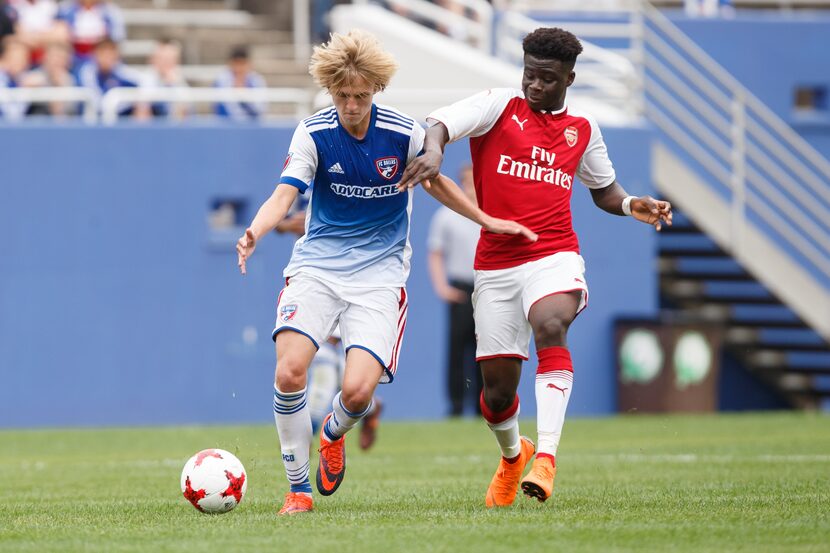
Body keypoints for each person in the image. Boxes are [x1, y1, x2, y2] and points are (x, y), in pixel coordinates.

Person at [236, 29, 535, 516]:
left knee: (356, 392)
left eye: (359, 95)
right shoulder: (314, 132)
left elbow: (435, 183)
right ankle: (297, 491)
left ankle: (333, 435)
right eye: (342, 96)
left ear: (376, 89)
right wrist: (255, 230)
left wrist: (485, 219)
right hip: (317, 268)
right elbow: (285, 193)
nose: (350, 105)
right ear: (330, 91)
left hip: (379, 278)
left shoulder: (402, 132)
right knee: (290, 371)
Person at [399, 27, 672, 507]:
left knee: (551, 324)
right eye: (529, 75)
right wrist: (436, 148)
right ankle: (512, 457)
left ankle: (546, 457)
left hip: (554, 254)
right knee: (498, 396)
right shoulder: (498, 106)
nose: (535, 86)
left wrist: (632, 205)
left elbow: (603, 190)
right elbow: (439, 123)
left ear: (569, 77)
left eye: (547, 78)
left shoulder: (583, 129)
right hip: (496, 266)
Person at [275, 187, 384, 449]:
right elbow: (278, 219)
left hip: (354, 280)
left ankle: (358, 414)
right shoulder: (302, 175)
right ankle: (313, 438)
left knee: (344, 376)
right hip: (313, 280)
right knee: (325, 371)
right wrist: (297, 224)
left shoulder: (351, 171)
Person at [427, 163, 482, 416]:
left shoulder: (492, 212)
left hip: (487, 287)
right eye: (467, 181)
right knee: (457, 349)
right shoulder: (447, 216)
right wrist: (442, 287)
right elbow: (435, 253)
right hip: (460, 287)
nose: (471, 187)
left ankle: (486, 404)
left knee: (487, 348)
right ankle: (456, 405)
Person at [214, 45, 266, 122]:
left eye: (242, 64)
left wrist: (244, 96)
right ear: (231, 63)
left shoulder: (256, 80)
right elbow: (222, 108)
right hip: (227, 125)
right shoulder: (222, 80)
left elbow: (260, 109)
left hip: (252, 125)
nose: (239, 68)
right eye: (236, 63)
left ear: (248, 64)